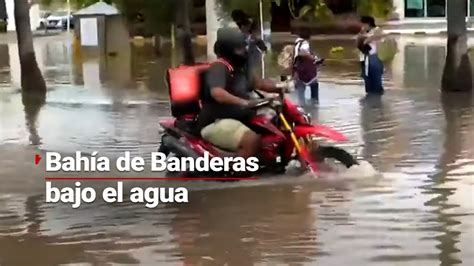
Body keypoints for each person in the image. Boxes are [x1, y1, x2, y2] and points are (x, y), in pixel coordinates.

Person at [197, 28, 292, 159]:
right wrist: (245, 102)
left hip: (239, 118)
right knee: (251, 140)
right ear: (228, 50)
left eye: (244, 47)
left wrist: (283, 87)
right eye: (239, 49)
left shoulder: (240, 69)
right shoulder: (218, 67)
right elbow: (217, 93)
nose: (244, 52)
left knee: (271, 129)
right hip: (216, 121)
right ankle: (240, 173)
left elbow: (259, 84)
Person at [292, 28, 323, 104]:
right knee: (314, 85)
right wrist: (314, 59)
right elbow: (303, 52)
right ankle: (314, 106)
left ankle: (300, 108)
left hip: (297, 70)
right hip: (307, 71)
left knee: (300, 92)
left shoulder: (296, 43)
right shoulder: (304, 43)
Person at [356, 16, 385, 95]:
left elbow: (379, 37)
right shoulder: (364, 32)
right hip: (364, 59)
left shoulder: (376, 30)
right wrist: (362, 35)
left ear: (368, 24)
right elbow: (359, 43)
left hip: (374, 58)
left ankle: (377, 103)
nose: (362, 26)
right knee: (368, 83)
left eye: (363, 24)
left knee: (376, 84)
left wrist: (366, 38)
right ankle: (370, 103)